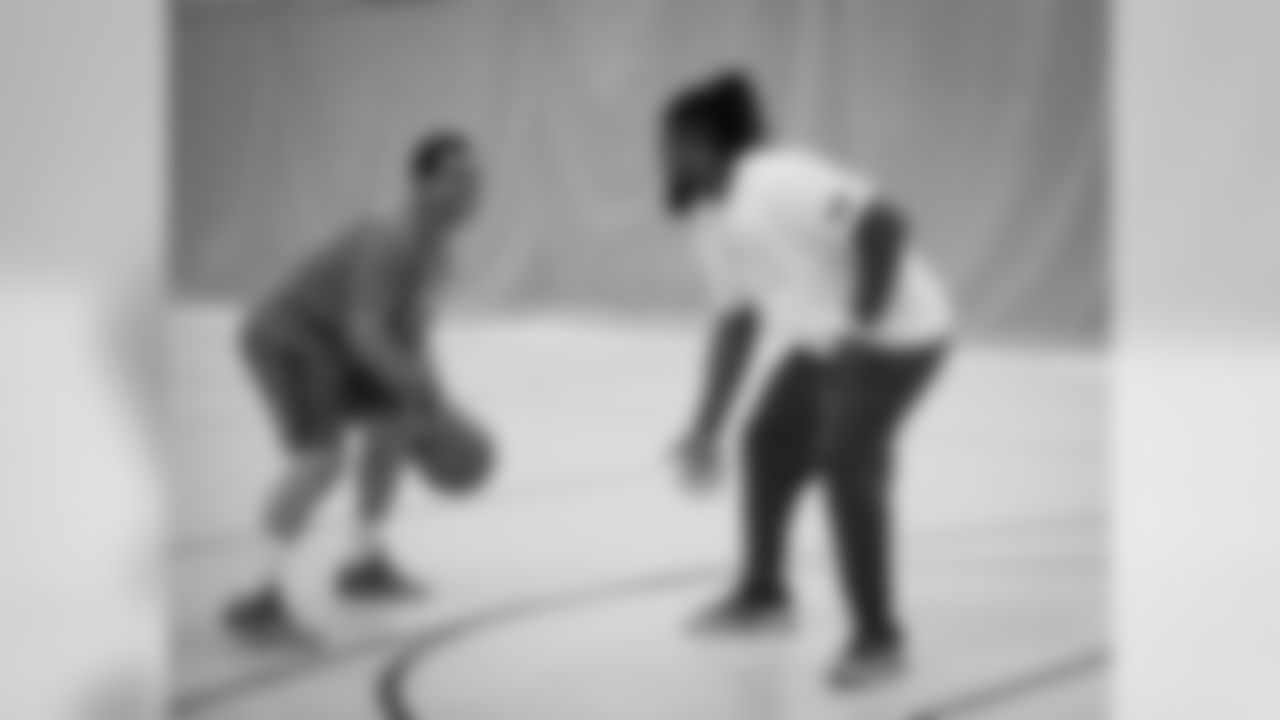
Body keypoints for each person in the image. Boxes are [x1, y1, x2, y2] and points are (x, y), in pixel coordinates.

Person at [661, 70, 954, 687]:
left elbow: (885, 224)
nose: (667, 156)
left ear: (705, 142)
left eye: (675, 142)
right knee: (768, 440)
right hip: (827, 343)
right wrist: (704, 430)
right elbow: (736, 322)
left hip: (900, 336)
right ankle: (764, 595)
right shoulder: (708, 216)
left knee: (846, 460)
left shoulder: (774, 178)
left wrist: (861, 331)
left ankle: (879, 640)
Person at [224, 131, 481, 643]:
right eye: (457, 179)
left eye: (476, 180)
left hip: (337, 344)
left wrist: (434, 404)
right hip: (292, 337)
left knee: (392, 425)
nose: (471, 191)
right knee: (322, 459)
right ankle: (257, 597)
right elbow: (367, 334)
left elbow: (411, 339)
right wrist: (421, 394)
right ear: (421, 184)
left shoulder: (438, 255)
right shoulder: (390, 237)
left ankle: (363, 563)